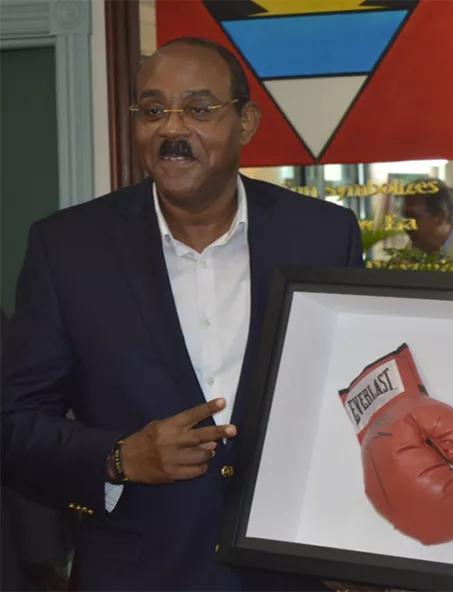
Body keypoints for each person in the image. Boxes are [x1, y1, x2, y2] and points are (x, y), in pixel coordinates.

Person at [1, 37, 362, 590]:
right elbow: (15, 424)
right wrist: (120, 458)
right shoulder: (68, 248)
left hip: (288, 575)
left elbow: (352, 404)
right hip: (137, 571)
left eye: (198, 109)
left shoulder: (321, 235)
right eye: (152, 111)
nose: (172, 130)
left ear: (245, 123)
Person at [400, 179, 453, 264]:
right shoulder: (412, 250)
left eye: (412, 217)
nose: (406, 226)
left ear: (440, 216)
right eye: (405, 217)